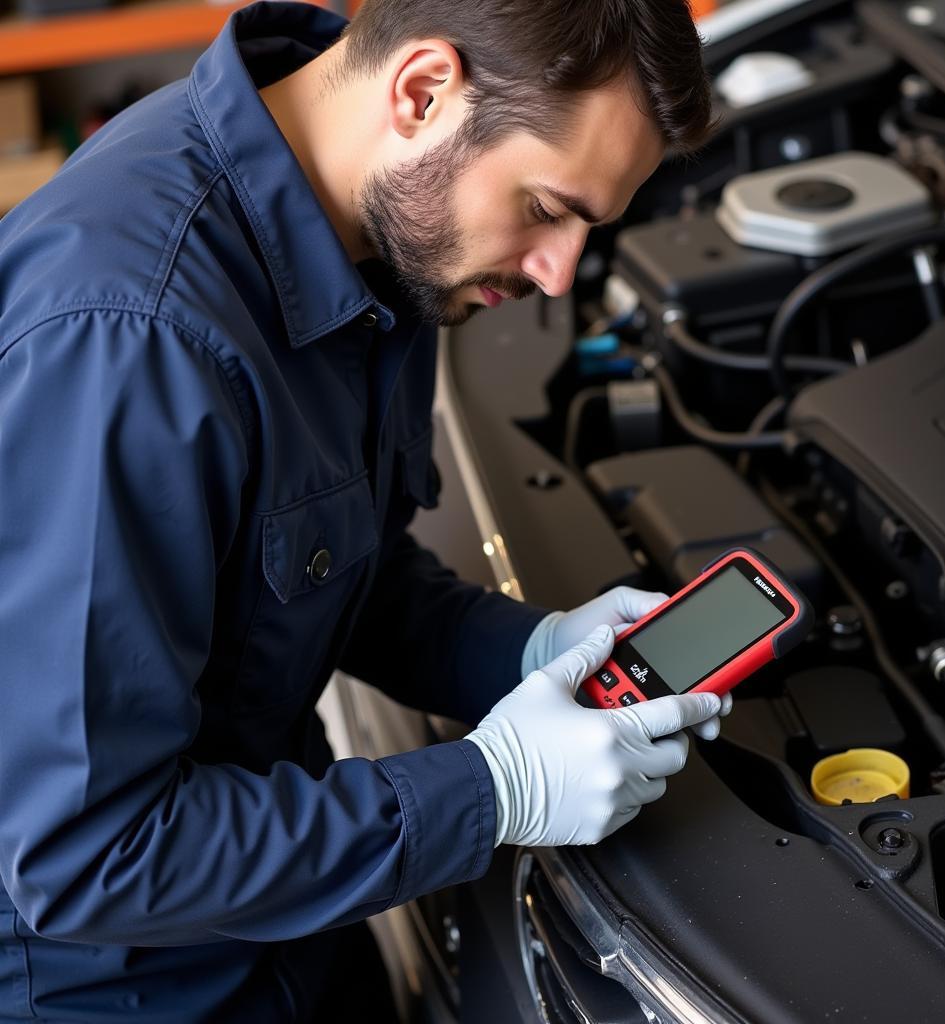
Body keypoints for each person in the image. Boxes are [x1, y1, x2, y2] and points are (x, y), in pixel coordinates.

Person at [0, 1, 720, 1020]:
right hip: (116, 987)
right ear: (422, 92)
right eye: (548, 209)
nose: (558, 273)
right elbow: (89, 856)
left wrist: (532, 650)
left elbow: (325, 570)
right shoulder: (128, 342)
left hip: (297, 924)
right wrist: (489, 789)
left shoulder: (381, 232)